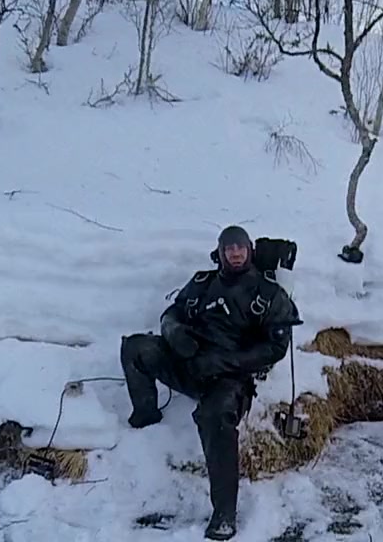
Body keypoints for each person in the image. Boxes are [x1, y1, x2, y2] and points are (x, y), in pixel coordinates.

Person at [120, 225, 301, 541]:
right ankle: (146, 420)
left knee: (215, 417)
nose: (235, 253)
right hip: (190, 362)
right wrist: (175, 333)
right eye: (229, 247)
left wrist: (225, 362)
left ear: (250, 250)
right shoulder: (203, 282)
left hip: (231, 379)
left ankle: (224, 514)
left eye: (240, 247)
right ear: (219, 252)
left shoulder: (268, 294)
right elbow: (172, 313)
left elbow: (275, 348)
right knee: (136, 348)